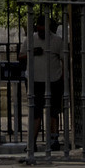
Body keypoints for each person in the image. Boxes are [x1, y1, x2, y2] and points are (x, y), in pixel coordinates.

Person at [27, 9, 65, 152]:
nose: (41, 32)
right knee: (36, 112)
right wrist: (33, 52)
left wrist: (62, 76)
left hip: (54, 81)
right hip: (36, 81)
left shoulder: (57, 41)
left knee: (53, 111)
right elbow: (21, 57)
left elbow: (64, 59)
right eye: (39, 29)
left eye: (43, 30)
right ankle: (32, 143)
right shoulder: (31, 39)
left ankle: (53, 140)